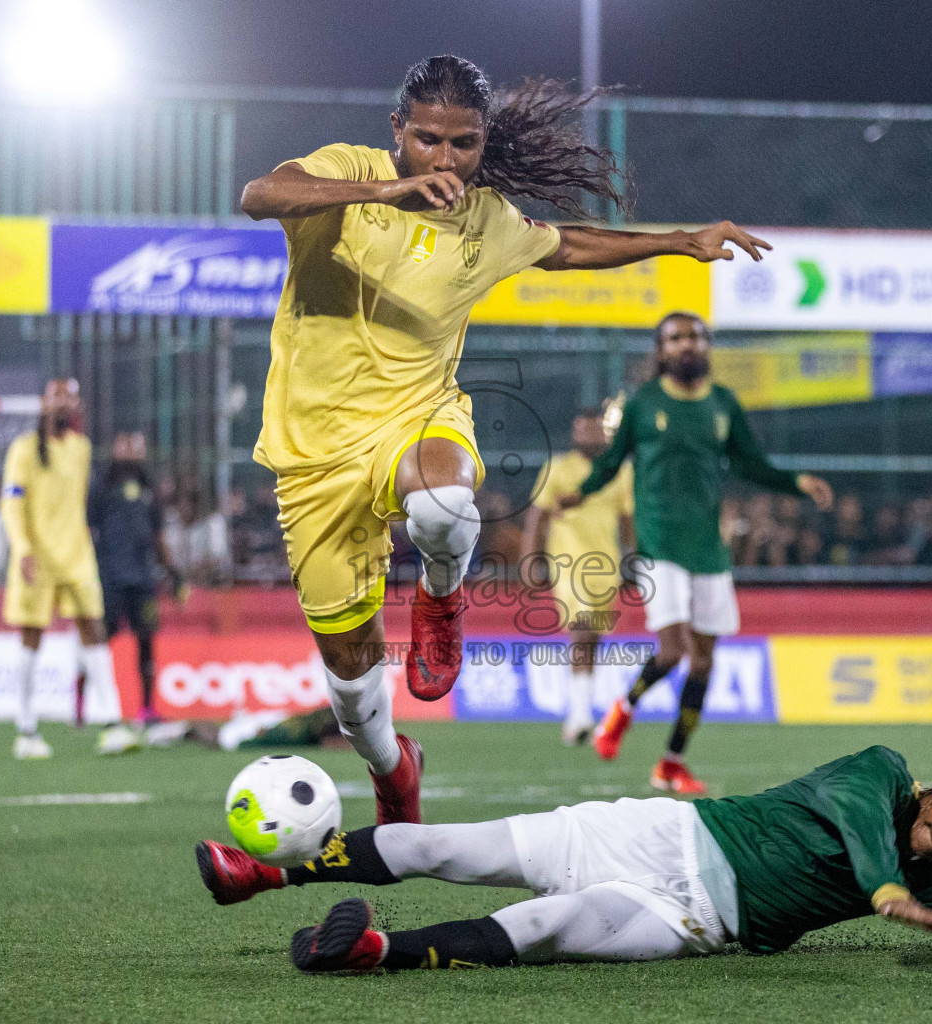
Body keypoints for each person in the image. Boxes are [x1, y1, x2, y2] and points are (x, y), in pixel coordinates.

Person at [238, 54, 775, 823]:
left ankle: (442, 599)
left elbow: (569, 245)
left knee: (447, 501)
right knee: (353, 678)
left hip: (417, 419)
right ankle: (394, 769)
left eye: (463, 144)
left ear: (483, 140)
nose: (445, 159)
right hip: (313, 456)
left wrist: (681, 240)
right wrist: (386, 189)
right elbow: (261, 195)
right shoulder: (345, 172)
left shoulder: (486, 219)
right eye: (427, 139)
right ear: (398, 129)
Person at [193, 745, 932, 972]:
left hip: (697, 920)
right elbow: (867, 844)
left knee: (550, 925)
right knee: (446, 844)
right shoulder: (879, 776)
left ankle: (370, 955)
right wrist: (889, 889)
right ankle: (267, 873)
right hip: (655, 834)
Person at [556, 312, 832, 794]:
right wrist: (583, 490)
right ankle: (624, 710)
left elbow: (750, 463)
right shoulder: (642, 405)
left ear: (706, 346)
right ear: (661, 351)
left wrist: (796, 482)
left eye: (695, 337)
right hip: (659, 544)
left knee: (703, 663)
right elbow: (613, 459)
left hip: (708, 548)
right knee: (674, 649)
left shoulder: (724, 404)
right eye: (676, 338)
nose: (687, 344)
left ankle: (670, 763)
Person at [0, 379, 130, 760]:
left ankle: (111, 723)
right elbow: (11, 503)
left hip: (76, 556)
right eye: (55, 395)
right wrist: (22, 548)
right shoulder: (24, 449)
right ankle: (26, 729)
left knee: (94, 629)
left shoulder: (82, 449)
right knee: (31, 637)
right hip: (36, 557)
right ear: (42, 403)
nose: (62, 403)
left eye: (69, 397)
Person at [519, 407, 635, 745]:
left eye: (595, 430)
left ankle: (578, 712)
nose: (589, 436)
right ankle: (581, 715)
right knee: (582, 629)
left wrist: (633, 559)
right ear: (574, 433)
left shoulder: (620, 472)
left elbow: (627, 522)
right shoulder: (557, 468)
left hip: (606, 566)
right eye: (583, 430)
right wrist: (530, 557)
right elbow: (536, 517)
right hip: (568, 563)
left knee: (593, 638)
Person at [87, 432, 180, 731]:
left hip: (143, 579)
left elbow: (158, 535)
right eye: (123, 444)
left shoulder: (148, 488)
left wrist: (172, 573)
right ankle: (85, 704)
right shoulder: (101, 485)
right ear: (114, 449)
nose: (129, 451)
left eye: (135, 445)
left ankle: (147, 708)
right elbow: (89, 529)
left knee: (146, 640)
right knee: (100, 640)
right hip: (109, 577)